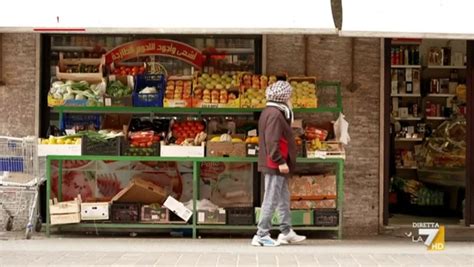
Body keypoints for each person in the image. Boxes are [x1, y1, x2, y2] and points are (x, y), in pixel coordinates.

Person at [251, 80, 306, 247]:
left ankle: (286, 231)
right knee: (271, 198)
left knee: (283, 197)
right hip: (275, 164)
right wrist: (280, 161)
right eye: (289, 95)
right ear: (283, 97)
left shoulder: (272, 111)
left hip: (276, 163)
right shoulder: (275, 114)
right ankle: (261, 234)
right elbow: (272, 141)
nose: (291, 99)